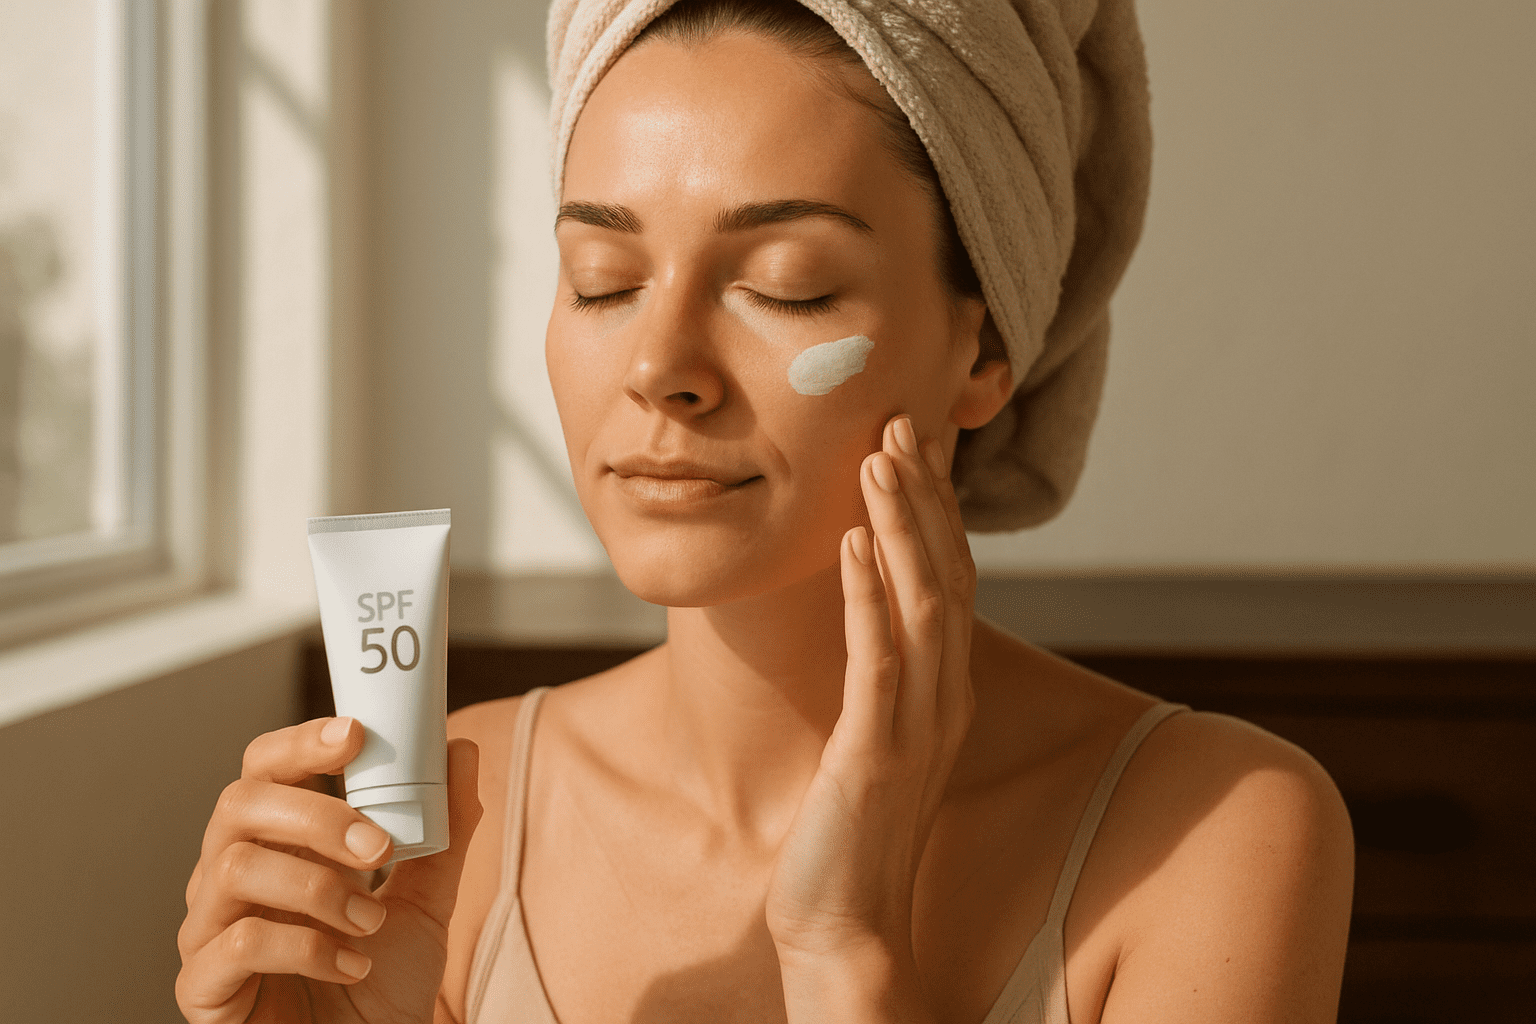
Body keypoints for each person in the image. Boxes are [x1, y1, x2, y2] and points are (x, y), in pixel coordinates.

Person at [176, 1, 1355, 1022]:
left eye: (784, 285)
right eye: (606, 282)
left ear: (984, 343)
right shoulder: (453, 808)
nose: (660, 365)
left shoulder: (1216, 832)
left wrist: (849, 950)